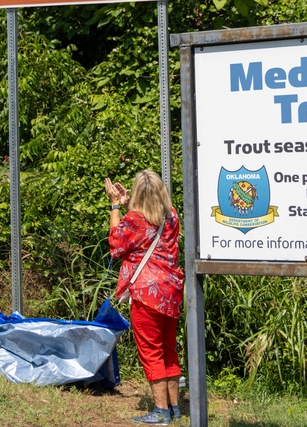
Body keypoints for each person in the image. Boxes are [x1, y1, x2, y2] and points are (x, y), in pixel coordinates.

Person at [106, 170, 184, 425]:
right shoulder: (172, 217)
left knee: (151, 352)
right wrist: (131, 206)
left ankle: (160, 412)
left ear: (138, 193)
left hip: (147, 294)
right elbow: (151, 224)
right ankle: (175, 409)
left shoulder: (135, 220)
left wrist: (116, 205)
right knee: (168, 350)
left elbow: (116, 244)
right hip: (170, 293)